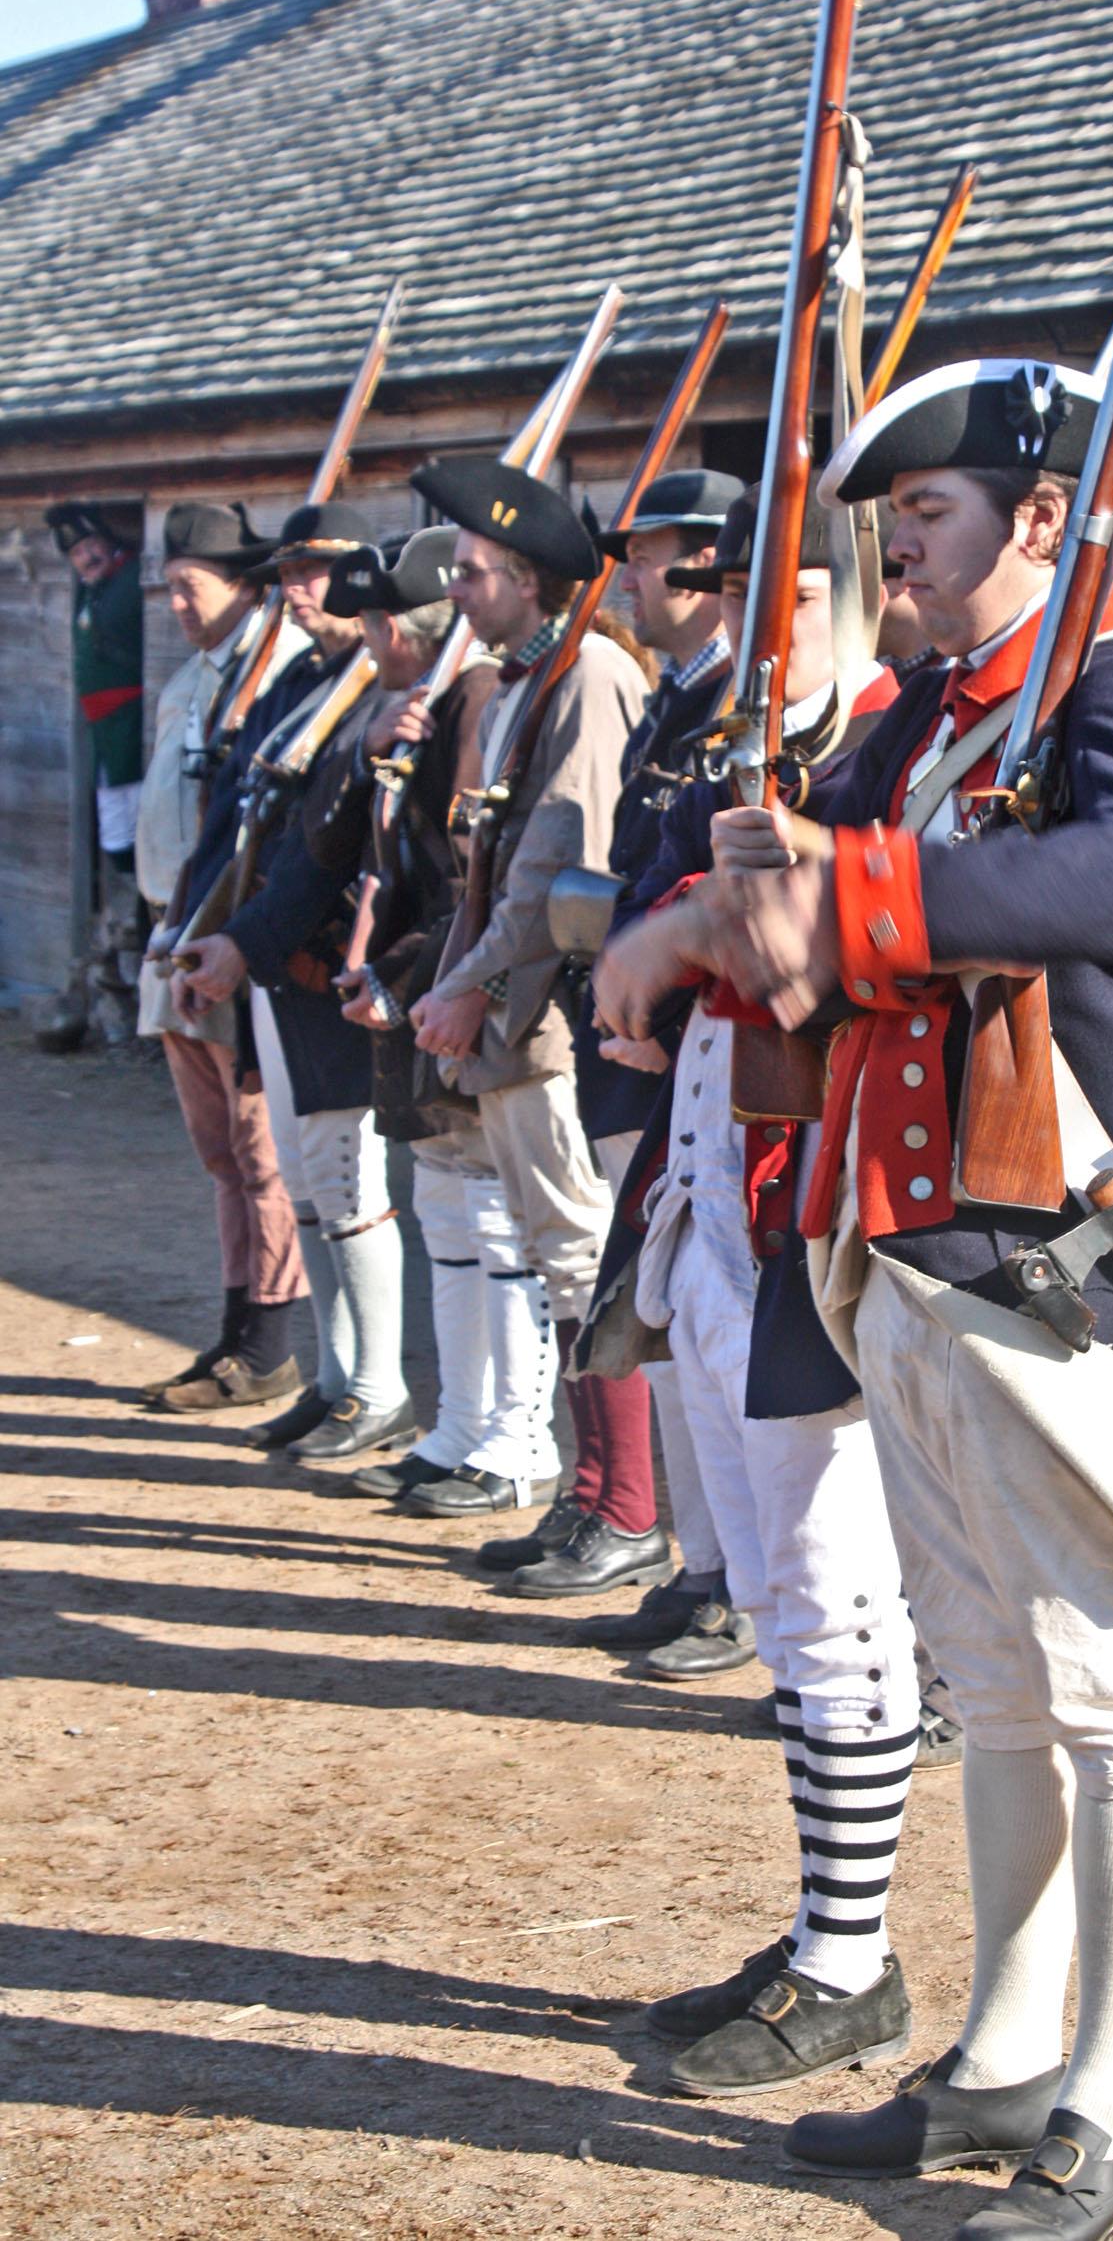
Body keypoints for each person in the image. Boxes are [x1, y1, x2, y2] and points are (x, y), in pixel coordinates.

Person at [600, 358, 1113, 2241]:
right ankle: (1003, 2058)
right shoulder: (929, 716)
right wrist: (697, 911)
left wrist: (866, 892)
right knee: (997, 1686)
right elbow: (786, 859)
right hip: (910, 1257)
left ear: (1047, 517)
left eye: (922, 519)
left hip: (1071, 1278)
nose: (892, 557)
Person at [587, 485, 920, 2096]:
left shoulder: (880, 736)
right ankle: (819, 1930)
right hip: (716, 1198)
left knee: (836, 1597)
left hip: (815, 1224)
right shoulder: (759, 739)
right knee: (785, 1608)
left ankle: (851, 1959)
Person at [517, 465, 754, 1661]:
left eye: (667, 556)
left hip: (692, 1056)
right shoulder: (676, 700)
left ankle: (730, 1583)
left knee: (715, 1341)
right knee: (667, 1335)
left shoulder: (733, 711)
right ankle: (703, 1560)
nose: (643, 578)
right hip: (637, 1045)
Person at [403, 457, 655, 1544]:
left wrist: (477, 989)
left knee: (582, 1258)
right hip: (512, 1016)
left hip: (550, 1022)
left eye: (472, 571)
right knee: (559, 1265)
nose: (454, 590)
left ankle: (627, 1508)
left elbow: (560, 871)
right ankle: (585, 1495)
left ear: (528, 579)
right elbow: (490, 867)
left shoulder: (588, 675)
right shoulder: (519, 683)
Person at [174, 499, 414, 1465]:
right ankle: (334, 1377)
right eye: (288, 574)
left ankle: (379, 1387)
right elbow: (248, 823)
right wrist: (204, 929)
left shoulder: (373, 693)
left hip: (326, 962)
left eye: (317, 571)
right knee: (311, 1186)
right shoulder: (308, 682)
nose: (298, 590)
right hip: (275, 959)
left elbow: (329, 851)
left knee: (351, 1183)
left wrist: (243, 937)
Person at [300, 528, 513, 1505]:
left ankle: (515, 1444)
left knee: (503, 1223)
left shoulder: (475, 701)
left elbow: (466, 878)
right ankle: (459, 1427)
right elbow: (371, 854)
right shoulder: (412, 710)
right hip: (417, 981)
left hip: (454, 983)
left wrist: (400, 974)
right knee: (447, 1208)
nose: (372, 631)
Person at [134, 502, 308, 1409]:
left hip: (229, 930)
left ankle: (270, 1341)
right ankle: (235, 1327)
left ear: (241, 587)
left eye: (188, 587)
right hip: (174, 927)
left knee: (258, 1146)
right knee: (219, 1154)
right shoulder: (195, 680)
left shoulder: (272, 673)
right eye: (168, 589)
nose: (176, 606)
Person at [39, 499, 146, 1048]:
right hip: (103, 727)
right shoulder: (93, 588)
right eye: (77, 552)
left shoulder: (128, 584)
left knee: (130, 827)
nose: (86, 558)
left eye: (91, 546)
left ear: (110, 544)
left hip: (130, 720)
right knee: (112, 822)